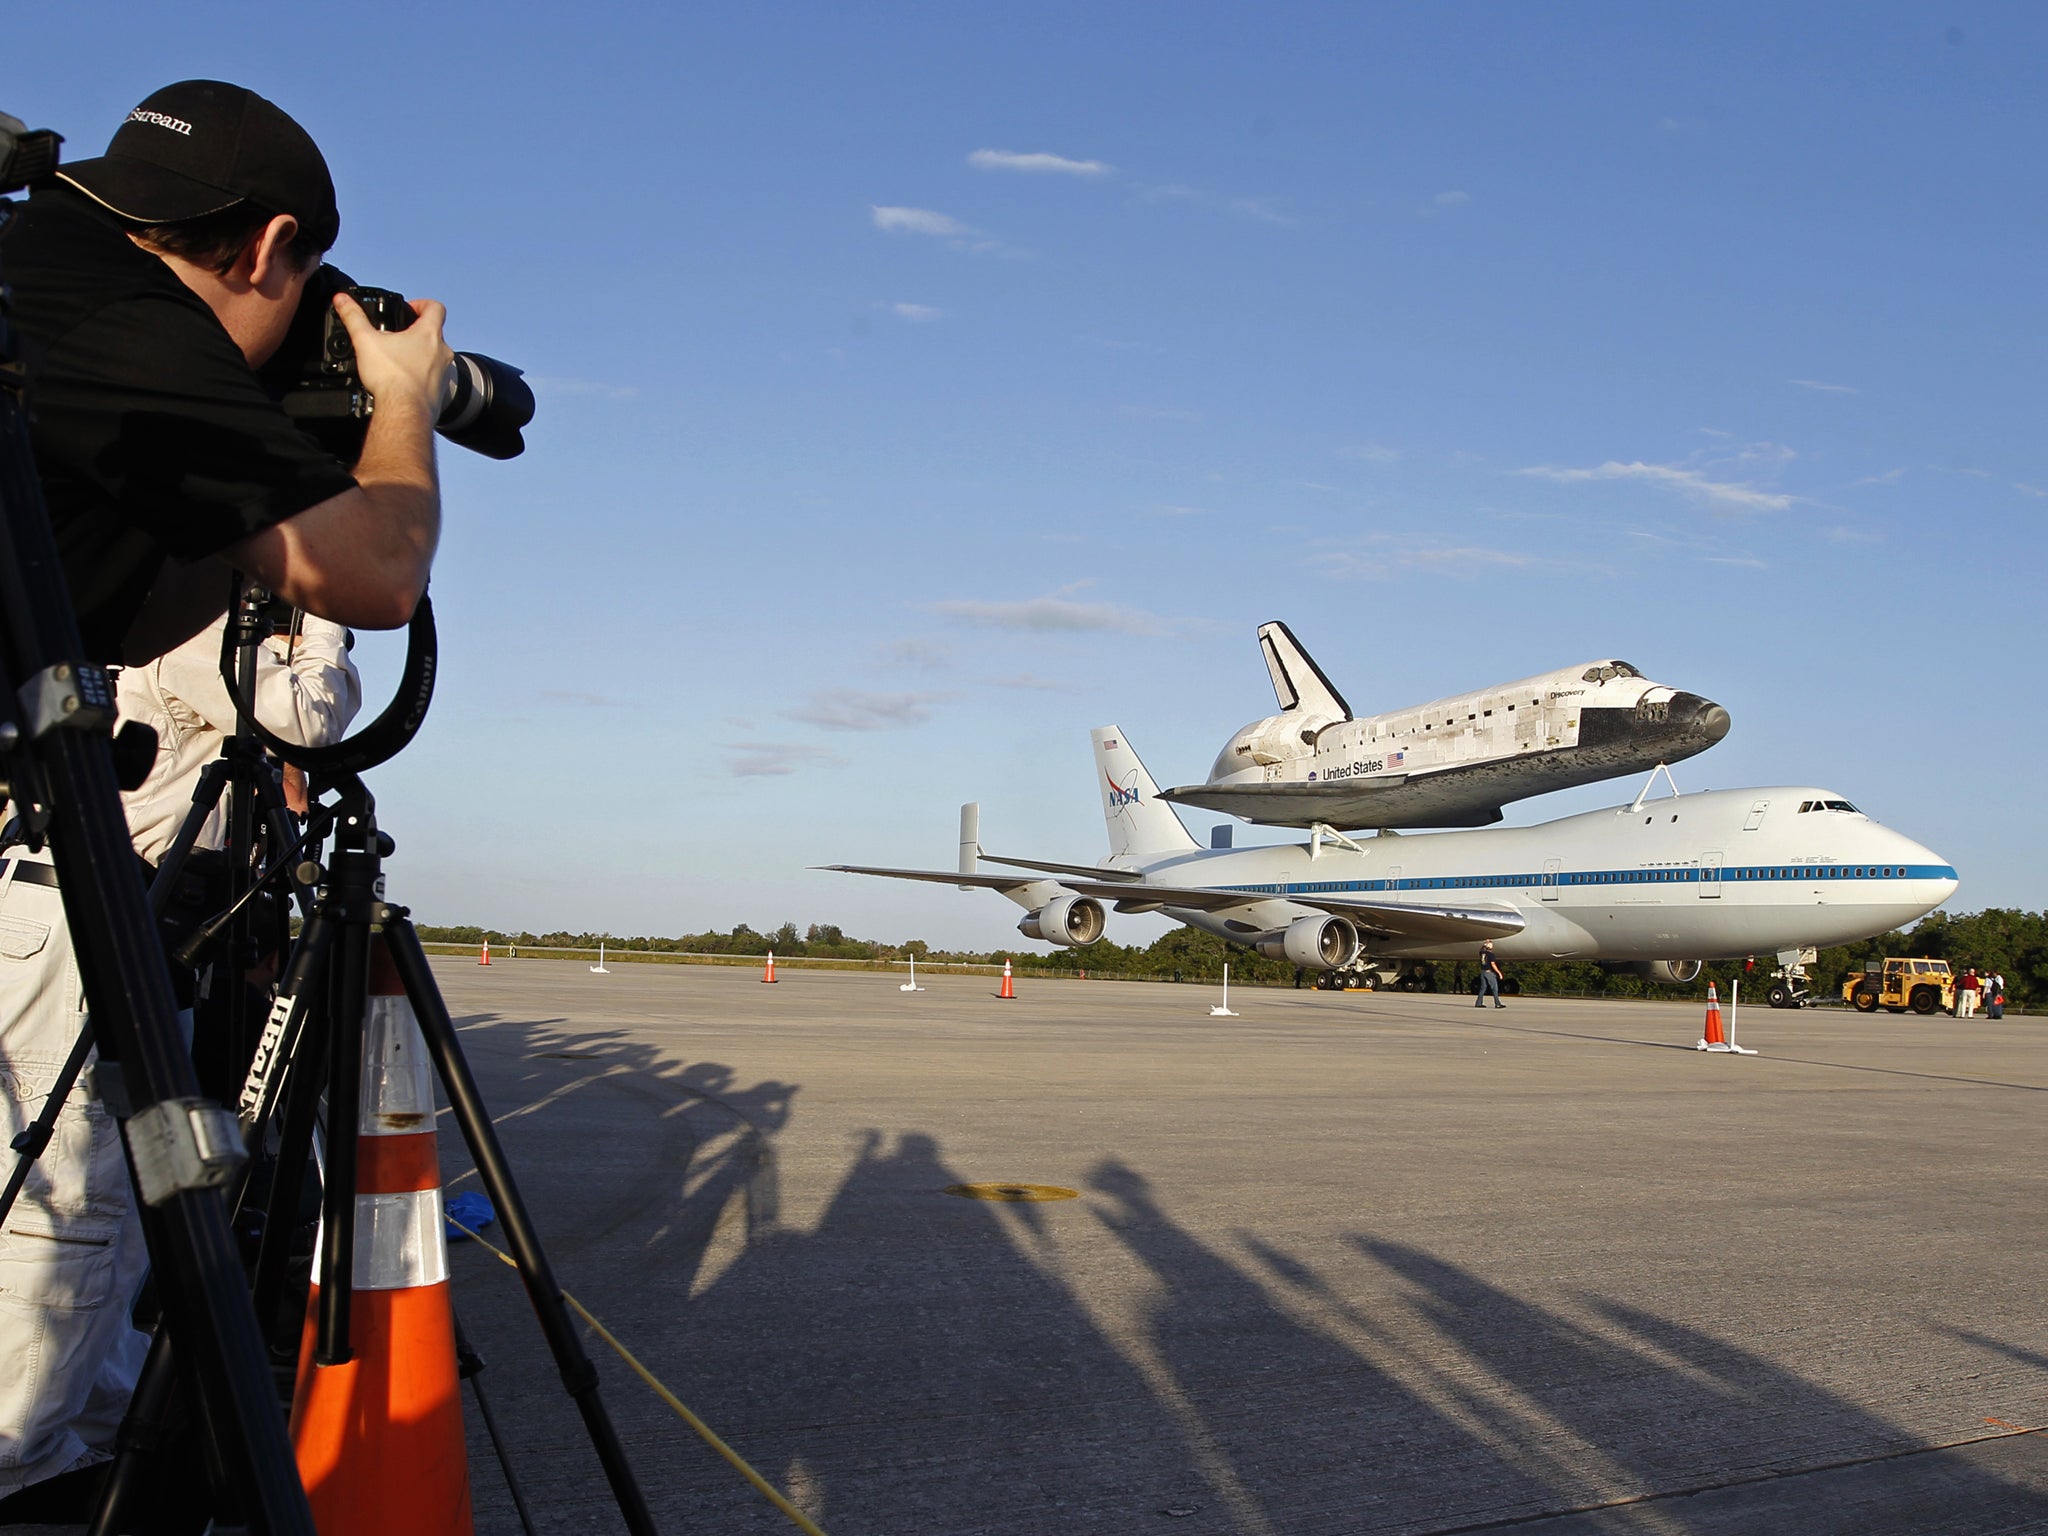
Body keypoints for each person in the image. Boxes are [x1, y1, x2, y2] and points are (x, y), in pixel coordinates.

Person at [0, 80, 447, 1519]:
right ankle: (39, 1469)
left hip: (96, 827)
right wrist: (400, 408)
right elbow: (374, 578)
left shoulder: (38, 268)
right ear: (266, 248)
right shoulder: (130, 336)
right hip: (65, 859)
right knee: (66, 1193)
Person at [1475, 941, 1505, 1008]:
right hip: (1489, 973)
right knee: (1494, 988)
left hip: (1483, 972)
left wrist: (1485, 944)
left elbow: (1481, 949)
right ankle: (1497, 1003)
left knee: (1483, 988)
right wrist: (1499, 973)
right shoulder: (1491, 955)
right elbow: (1493, 964)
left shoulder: (1482, 953)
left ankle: (1478, 1003)